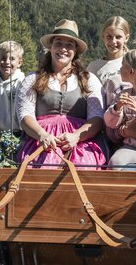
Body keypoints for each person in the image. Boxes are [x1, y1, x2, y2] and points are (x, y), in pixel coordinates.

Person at [15, 20, 107, 167]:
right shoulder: (33, 79)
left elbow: (97, 117)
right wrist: (42, 135)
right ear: (50, 47)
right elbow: (25, 115)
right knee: (41, 168)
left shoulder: (89, 79)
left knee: (85, 167)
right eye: (58, 43)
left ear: (75, 50)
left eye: (69, 44)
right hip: (42, 141)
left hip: (80, 142)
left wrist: (76, 136)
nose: (63, 48)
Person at [86, 16, 131, 85]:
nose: (113, 41)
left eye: (118, 37)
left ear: (126, 38)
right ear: (103, 37)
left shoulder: (133, 64)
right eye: (109, 37)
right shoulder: (93, 68)